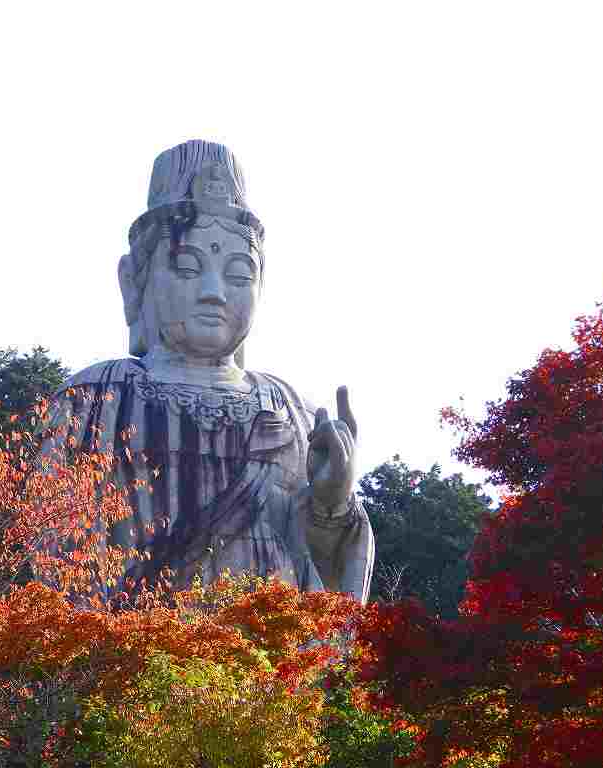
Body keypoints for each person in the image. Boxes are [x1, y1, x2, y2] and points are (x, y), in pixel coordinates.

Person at [42, 140, 373, 602]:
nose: (214, 292)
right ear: (134, 282)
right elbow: (53, 557)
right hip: (132, 641)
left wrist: (332, 504)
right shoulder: (96, 400)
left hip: (269, 642)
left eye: (238, 274)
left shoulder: (293, 411)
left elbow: (323, 577)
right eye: (186, 267)